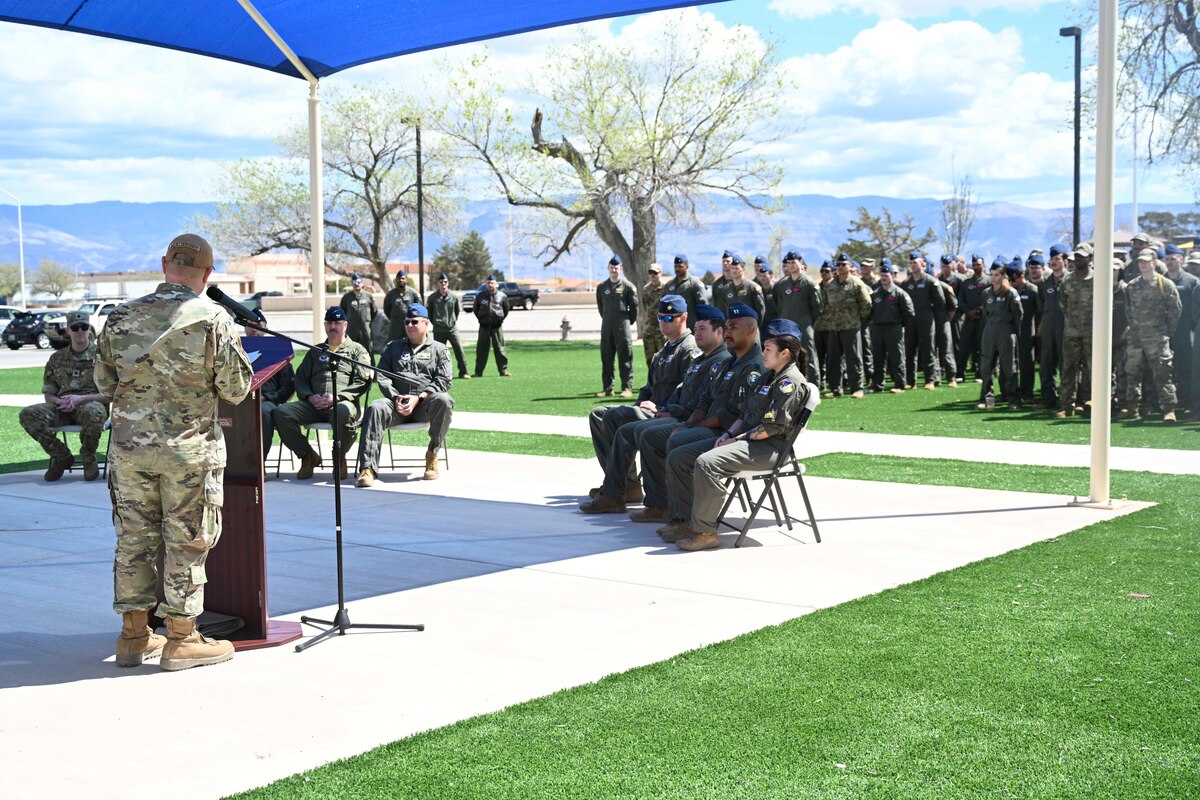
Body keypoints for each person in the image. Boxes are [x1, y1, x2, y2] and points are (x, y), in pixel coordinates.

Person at [96, 233, 253, 671]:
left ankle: (133, 635)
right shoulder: (213, 319)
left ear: (166, 264)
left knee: (133, 541)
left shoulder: (121, 316)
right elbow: (237, 390)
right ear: (206, 274)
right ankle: (182, 639)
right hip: (188, 455)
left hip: (129, 453)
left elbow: (104, 384)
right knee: (186, 542)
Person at [671, 319, 813, 552]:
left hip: (769, 448)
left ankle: (705, 532)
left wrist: (735, 440)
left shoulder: (790, 383)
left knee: (707, 462)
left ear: (784, 353)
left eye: (768, 349)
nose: (763, 353)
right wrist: (728, 433)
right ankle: (685, 520)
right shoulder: (770, 375)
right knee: (681, 455)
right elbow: (746, 413)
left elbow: (769, 428)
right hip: (749, 440)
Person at [581, 295, 698, 513]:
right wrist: (638, 405)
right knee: (598, 414)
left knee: (614, 417)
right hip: (650, 410)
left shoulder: (689, 349)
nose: (663, 322)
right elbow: (648, 388)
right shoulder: (664, 351)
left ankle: (615, 491)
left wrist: (660, 409)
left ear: (683, 318)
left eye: (669, 318)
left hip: (667, 414)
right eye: (661, 317)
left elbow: (688, 390)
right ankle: (627, 485)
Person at [658, 303, 764, 538]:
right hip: (714, 428)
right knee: (676, 440)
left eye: (733, 327)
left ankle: (687, 518)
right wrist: (688, 424)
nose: (727, 332)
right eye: (726, 327)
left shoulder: (755, 367)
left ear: (751, 330)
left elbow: (734, 414)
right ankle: (680, 515)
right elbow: (705, 400)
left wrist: (694, 427)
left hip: (730, 435)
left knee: (678, 451)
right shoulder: (729, 361)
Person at [624, 305, 732, 523]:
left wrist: (680, 419)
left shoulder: (720, 360)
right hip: (689, 419)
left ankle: (665, 506)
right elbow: (682, 393)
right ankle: (650, 499)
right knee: (636, 429)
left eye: (702, 329)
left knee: (648, 434)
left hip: (709, 428)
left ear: (719, 332)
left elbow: (712, 407)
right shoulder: (702, 359)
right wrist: (666, 410)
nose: (697, 334)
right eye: (696, 329)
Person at [356, 302, 454, 485]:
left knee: (444, 399)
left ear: (426, 324)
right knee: (376, 407)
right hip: (396, 405)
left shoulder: (440, 350)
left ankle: (432, 455)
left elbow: (444, 380)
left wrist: (419, 397)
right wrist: (395, 397)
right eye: (407, 322)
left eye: (414, 322)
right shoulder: (393, 347)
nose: (409, 326)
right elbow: (382, 375)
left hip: (424, 405)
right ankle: (368, 468)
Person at [272, 306, 371, 480]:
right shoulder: (316, 351)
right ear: (325, 325)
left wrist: (338, 397)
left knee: (343, 412)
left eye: (337, 323)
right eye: (329, 323)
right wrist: (310, 396)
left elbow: (363, 380)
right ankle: (307, 455)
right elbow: (300, 379)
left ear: (345, 325)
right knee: (281, 413)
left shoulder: (356, 350)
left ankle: (338, 457)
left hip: (342, 403)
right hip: (314, 405)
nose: (333, 326)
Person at [19, 310, 109, 481]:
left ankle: (88, 457)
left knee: (94, 412)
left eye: (84, 327)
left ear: (90, 328)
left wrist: (80, 399)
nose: (80, 331)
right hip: (63, 407)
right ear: (68, 331)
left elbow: (109, 395)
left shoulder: (102, 357)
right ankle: (61, 455)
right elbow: (49, 394)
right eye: (75, 328)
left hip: (91, 404)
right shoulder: (56, 358)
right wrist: (59, 401)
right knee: (28, 414)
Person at [1120, 250, 1182, 422]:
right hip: (1136, 337)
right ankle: (1132, 407)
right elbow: (1128, 310)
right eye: (1141, 261)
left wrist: (1165, 332)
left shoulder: (1165, 284)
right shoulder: (1132, 286)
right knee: (1132, 372)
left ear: (1154, 263)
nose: (1143, 264)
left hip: (1157, 338)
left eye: (1147, 261)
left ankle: (1169, 409)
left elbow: (1175, 311)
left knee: (1163, 373)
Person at [243, 309, 295, 459]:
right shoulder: (236, 348)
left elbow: (288, 387)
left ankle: (258, 463)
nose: (254, 328)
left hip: (266, 401)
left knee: (264, 412)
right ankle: (234, 464)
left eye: (258, 324)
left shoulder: (277, 350)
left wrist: (267, 398)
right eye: (250, 324)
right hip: (239, 399)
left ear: (265, 327)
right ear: (245, 327)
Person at [821, 254, 872, 399]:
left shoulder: (856, 283)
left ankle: (857, 388)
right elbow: (824, 304)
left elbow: (866, 304)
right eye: (838, 265)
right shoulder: (830, 285)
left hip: (851, 326)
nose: (840, 267)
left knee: (854, 359)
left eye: (843, 264)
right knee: (834, 359)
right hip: (834, 327)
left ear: (850, 266)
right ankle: (836, 388)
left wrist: (858, 318)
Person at [978, 258, 1023, 410]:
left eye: (997, 275)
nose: (993, 278)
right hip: (990, 331)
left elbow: (1018, 315)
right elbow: (985, 312)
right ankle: (988, 400)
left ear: (1003, 276)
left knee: (1009, 368)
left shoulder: (1011, 293)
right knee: (987, 367)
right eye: (992, 275)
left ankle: (1013, 400)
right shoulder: (986, 293)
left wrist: (1015, 334)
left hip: (1006, 331)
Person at [772, 251, 822, 387]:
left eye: (793, 262)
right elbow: (778, 305)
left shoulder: (810, 284)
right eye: (788, 263)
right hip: (786, 329)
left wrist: (807, 323)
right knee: (785, 358)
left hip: (804, 327)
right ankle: (788, 387)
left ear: (800, 262)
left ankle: (813, 387)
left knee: (809, 357)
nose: (791, 266)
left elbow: (818, 308)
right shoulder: (780, 285)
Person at [1057, 244, 1095, 417]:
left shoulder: (1099, 279)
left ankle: (1090, 402)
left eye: (1083, 257)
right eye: (1077, 257)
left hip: (1092, 332)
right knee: (1069, 368)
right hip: (1071, 331)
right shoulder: (1067, 280)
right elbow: (1063, 303)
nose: (1079, 259)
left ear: (1090, 258)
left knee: (1092, 369)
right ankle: (1067, 406)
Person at [900, 251, 945, 389]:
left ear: (923, 264)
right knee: (910, 350)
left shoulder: (931, 281)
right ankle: (910, 381)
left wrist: (932, 313)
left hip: (926, 317)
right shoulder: (906, 283)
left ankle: (930, 379)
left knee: (928, 349)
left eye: (916, 263)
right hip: (910, 320)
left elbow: (940, 301)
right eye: (911, 263)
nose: (913, 265)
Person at [868, 260, 915, 393]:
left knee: (897, 357)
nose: (884, 279)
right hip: (878, 329)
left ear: (893, 277)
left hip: (894, 328)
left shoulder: (900, 293)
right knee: (878, 357)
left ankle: (899, 384)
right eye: (882, 276)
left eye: (886, 276)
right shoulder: (875, 294)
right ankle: (877, 384)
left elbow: (909, 313)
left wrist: (900, 325)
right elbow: (870, 312)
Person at [595, 256, 639, 397]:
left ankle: (627, 388)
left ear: (621, 268)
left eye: (616, 267)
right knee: (606, 357)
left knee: (625, 357)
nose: (614, 270)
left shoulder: (628, 287)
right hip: (607, 326)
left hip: (622, 326)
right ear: (608, 268)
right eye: (612, 267)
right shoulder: (602, 287)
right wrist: (608, 318)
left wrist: (627, 321)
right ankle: (608, 388)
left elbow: (634, 308)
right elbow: (601, 306)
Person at [1163, 245, 1198, 413]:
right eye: (1167, 259)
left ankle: (1187, 402)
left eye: (1174, 258)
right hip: (1165, 330)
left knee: (1186, 367)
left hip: (1185, 331)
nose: (1170, 262)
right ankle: (1168, 402)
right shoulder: (1161, 280)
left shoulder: (1191, 281)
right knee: (1167, 367)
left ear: (1181, 260)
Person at [1038, 245, 1069, 409]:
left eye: (1057, 259)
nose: (1054, 262)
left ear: (1064, 261)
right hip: (1049, 327)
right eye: (1052, 259)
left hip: (1066, 326)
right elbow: (1042, 306)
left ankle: (1067, 400)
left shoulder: (1071, 280)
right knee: (1046, 365)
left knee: (1066, 365)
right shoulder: (1045, 282)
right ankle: (1048, 399)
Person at [427, 272, 470, 380]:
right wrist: (436, 323)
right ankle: (438, 374)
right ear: (438, 283)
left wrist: (452, 321)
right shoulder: (432, 297)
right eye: (441, 282)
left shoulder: (453, 296)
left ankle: (463, 372)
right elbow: (430, 313)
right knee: (438, 353)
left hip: (452, 329)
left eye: (445, 282)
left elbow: (456, 311)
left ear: (448, 283)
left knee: (459, 350)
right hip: (439, 329)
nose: (443, 284)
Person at [1010, 259, 1042, 403]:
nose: (1011, 282)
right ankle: (1011, 392)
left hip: (1028, 331)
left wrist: (1038, 331)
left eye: (1013, 278)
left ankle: (1027, 393)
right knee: (1011, 363)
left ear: (1021, 275)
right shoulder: (1010, 291)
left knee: (1027, 363)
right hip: (1012, 331)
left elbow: (1041, 311)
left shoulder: (1032, 290)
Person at [956, 255, 989, 382]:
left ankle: (980, 373)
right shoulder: (966, 282)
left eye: (978, 265)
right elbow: (961, 300)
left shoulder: (989, 281)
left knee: (982, 346)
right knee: (964, 345)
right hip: (969, 318)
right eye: (974, 265)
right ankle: (960, 373)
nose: (976, 267)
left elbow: (989, 299)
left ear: (983, 265)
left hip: (983, 319)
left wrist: (978, 310)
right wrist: (968, 312)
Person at [473, 274, 512, 377]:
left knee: (500, 349)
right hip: (484, 327)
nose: (490, 285)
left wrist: (499, 319)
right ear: (486, 284)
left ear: (496, 284)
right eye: (488, 283)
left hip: (497, 327)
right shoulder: (480, 296)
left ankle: (503, 370)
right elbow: (475, 310)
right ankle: (478, 372)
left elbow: (506, 310)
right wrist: (482, 319)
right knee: (481, 350)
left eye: (492, 283)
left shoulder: (502, 296)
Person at [714, 254, 766, 321]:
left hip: (749, 326)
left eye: (737, 268)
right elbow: (722, 310)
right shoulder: (726, 289)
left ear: (743, 269)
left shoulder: (752, 287)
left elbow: (761, 310)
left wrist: (756, 326)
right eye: (732, 268)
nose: (734, 271)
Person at [662, 254, 705, 328]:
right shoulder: (669, 285)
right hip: (673, 326)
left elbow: (703, 306)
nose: (677, 269)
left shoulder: (694, 283)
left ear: (687, 266)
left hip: (690, 326)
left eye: (680, 266)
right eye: (675, 266)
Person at [339, 272, 377, 355]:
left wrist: (366, 321)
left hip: (365, 330)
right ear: (352, 283)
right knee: (350, 351)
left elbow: (374, 311)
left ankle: (370, 368)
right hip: (351, 330)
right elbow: (342, 313)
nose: (356, 284)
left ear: (362, 283)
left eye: (358, 282)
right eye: (354, 282)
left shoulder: (368, 296)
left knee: (367, 351)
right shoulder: (346, 297)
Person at [383, 269, 421, 343]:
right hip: (395, 325)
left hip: (410, 324)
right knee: (394, 345)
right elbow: (386, 309)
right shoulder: (390, 294)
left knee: (411, 344)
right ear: (396, 280)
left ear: (406, 280)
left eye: (403, 278)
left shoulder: (413, 293)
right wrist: (394, 318)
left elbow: (419, 309)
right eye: (399, 278)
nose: (401, 280)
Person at [640, 263, 666, 369]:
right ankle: (652, 384)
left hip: (662, 329)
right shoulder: (646, 289)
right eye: (650, 272)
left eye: (655, 273)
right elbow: (645, 307)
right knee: (650, 359)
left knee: (663, 359)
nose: (652, 275)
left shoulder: (666, 288)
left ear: (660, 273)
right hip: (649, 329)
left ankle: (664, 384)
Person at [754, 256, 777, 323]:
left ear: (771, 276)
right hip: (761, 323)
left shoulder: (777, 288)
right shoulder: (757, 289)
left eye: (764, 276)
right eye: (761, 276)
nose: (762, 278)